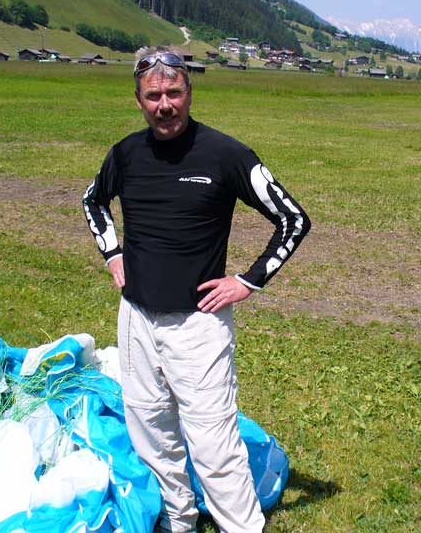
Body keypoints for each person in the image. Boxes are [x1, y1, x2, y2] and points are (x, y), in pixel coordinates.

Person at [82, 46, 310, 533]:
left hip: (198, 325)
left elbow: (293, 219)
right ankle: (178, 519)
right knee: (150, 431)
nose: (165, 105)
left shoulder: (226, 155)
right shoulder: (124, 154)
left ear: (189, 92)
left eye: (174, 93)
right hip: (136, 319)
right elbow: (92, 201)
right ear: (138, 100)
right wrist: (112, 253)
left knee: (213, 445)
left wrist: (248, 281)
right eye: (153, 96)